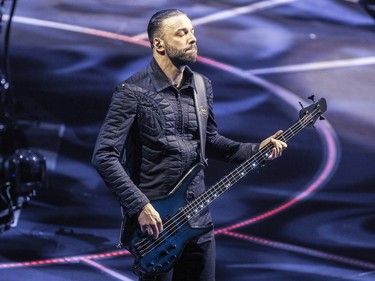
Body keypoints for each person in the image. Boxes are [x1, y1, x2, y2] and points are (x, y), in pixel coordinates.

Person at [92, 8, 287, 281]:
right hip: (157, 228)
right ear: (158, 44)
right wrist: (139, 206)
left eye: (192, 31)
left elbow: (211, 142)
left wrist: (257, 150)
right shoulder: (132, 92)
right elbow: (104, 155)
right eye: (182, 33)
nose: (192, 38)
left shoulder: (202, 86)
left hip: (199, 224)